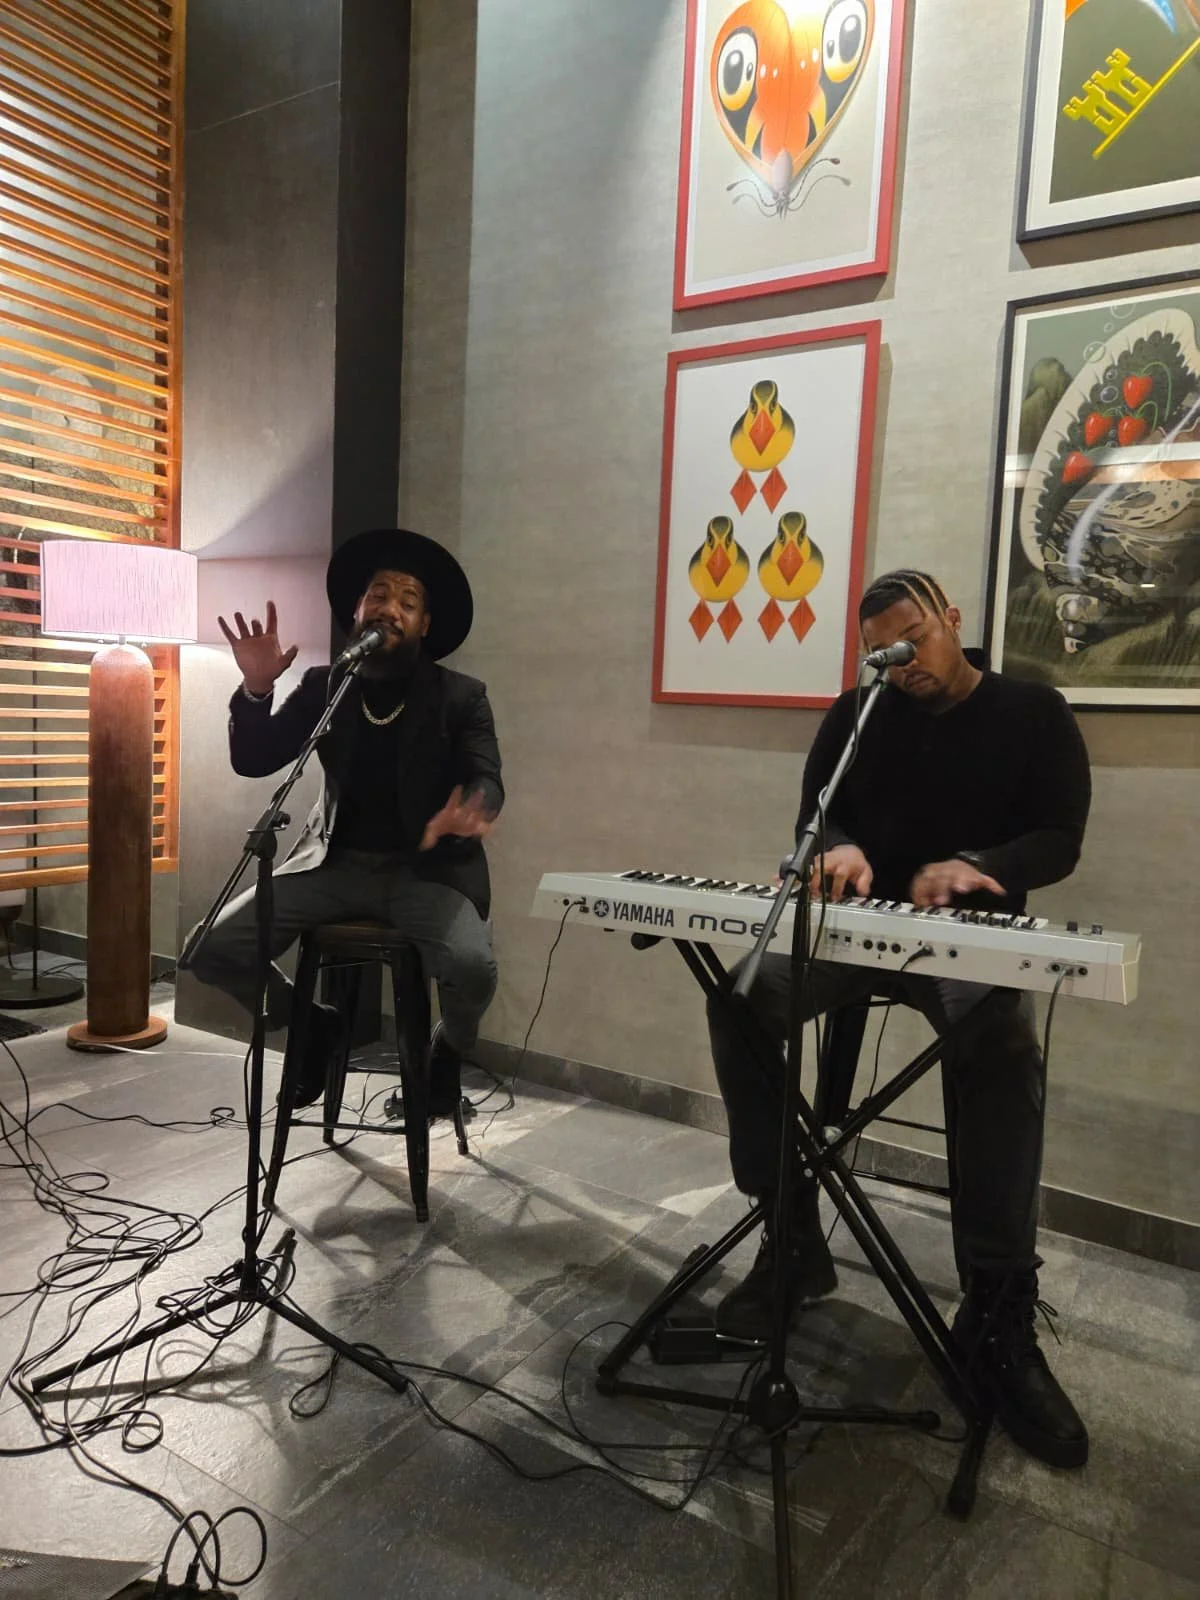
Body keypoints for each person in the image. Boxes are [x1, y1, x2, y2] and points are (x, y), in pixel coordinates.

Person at [707, 569, 1092, 1470]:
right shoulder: (859, 711)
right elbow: (819, 812)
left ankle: (997, 1310)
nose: (900, 661)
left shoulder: (1034, 711)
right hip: (859, 931)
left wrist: (976, 863)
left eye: (913, 638)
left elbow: (1061, 838)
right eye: (880, 649)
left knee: (998, 1042)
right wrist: (834, 842)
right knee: (742, 998)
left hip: (970, 936)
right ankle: (790, 1230)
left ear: (954, 620)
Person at [190, 528, 503, 1115]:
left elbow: (487, 776)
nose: (390, 608)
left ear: (425, 626)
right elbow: (255, 759)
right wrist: (257, 689)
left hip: (426, 873)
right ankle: (313, 1026)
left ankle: (445, 1051)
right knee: (211, 948)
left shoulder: (461, 697)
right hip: (334, 864)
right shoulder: (326, 685)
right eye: (378, 595)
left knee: (471, 969)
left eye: (408, 602)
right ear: (357, 611)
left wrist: (475, 808)